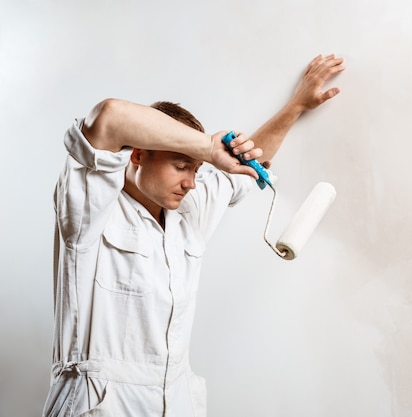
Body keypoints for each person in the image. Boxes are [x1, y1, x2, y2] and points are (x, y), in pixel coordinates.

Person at [42, 54, 345, 417]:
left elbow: (244, 172)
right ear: (138, 154)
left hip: (175, 401)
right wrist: (204, 146)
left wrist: (296, 105)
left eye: (197, 169)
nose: (191, 180)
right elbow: (108, 117)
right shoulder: (89, 208)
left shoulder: (188, 208)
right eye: (181, 165)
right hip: (104, 404)